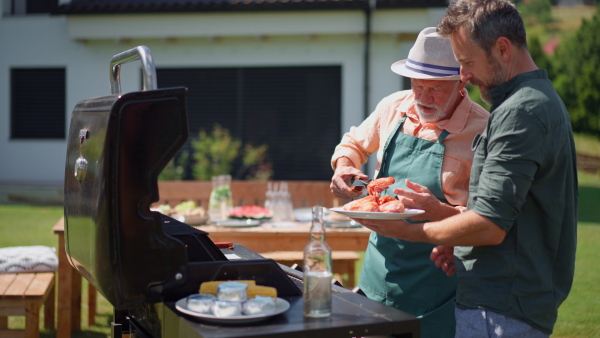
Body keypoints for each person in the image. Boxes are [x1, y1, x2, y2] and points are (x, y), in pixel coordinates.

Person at [353, 1, 579, 337]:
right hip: (501, 301)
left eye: (466, 62)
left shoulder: (520, 112)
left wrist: (409, 231)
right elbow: (504, 210)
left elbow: (489, 224)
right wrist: (459, 240)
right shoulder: (534, 100)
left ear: (502, 49)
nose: (464, 76)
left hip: (500, 308)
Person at [330, 27, 489, 337]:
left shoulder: (484, 130)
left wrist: (436, 210)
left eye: (436, 89)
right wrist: (343, 167)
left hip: (437, 286)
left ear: (461, 82)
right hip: (377, 275)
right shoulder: (394, 106)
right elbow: (352, 144)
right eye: (417, 85)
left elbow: (487, 219)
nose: (423, 98)